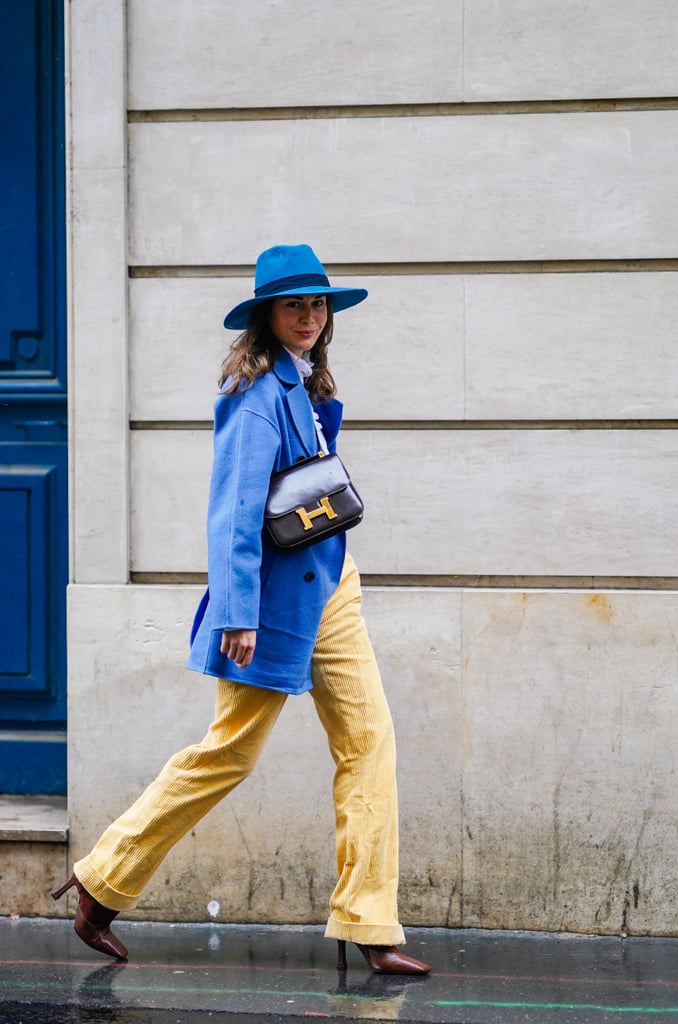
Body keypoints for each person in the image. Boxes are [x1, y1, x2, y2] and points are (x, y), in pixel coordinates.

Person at [52, 244, 430, 976]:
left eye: (317, 305)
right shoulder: (254, 398)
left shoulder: (304, 384)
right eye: (294, 306)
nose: (309, 317)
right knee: (229, 754)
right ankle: (104, 880)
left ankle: (369, 919)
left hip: (334, 589)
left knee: (369, 744)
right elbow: (232, 515)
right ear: (266, 316)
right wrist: (237, 614)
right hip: (274, 605)